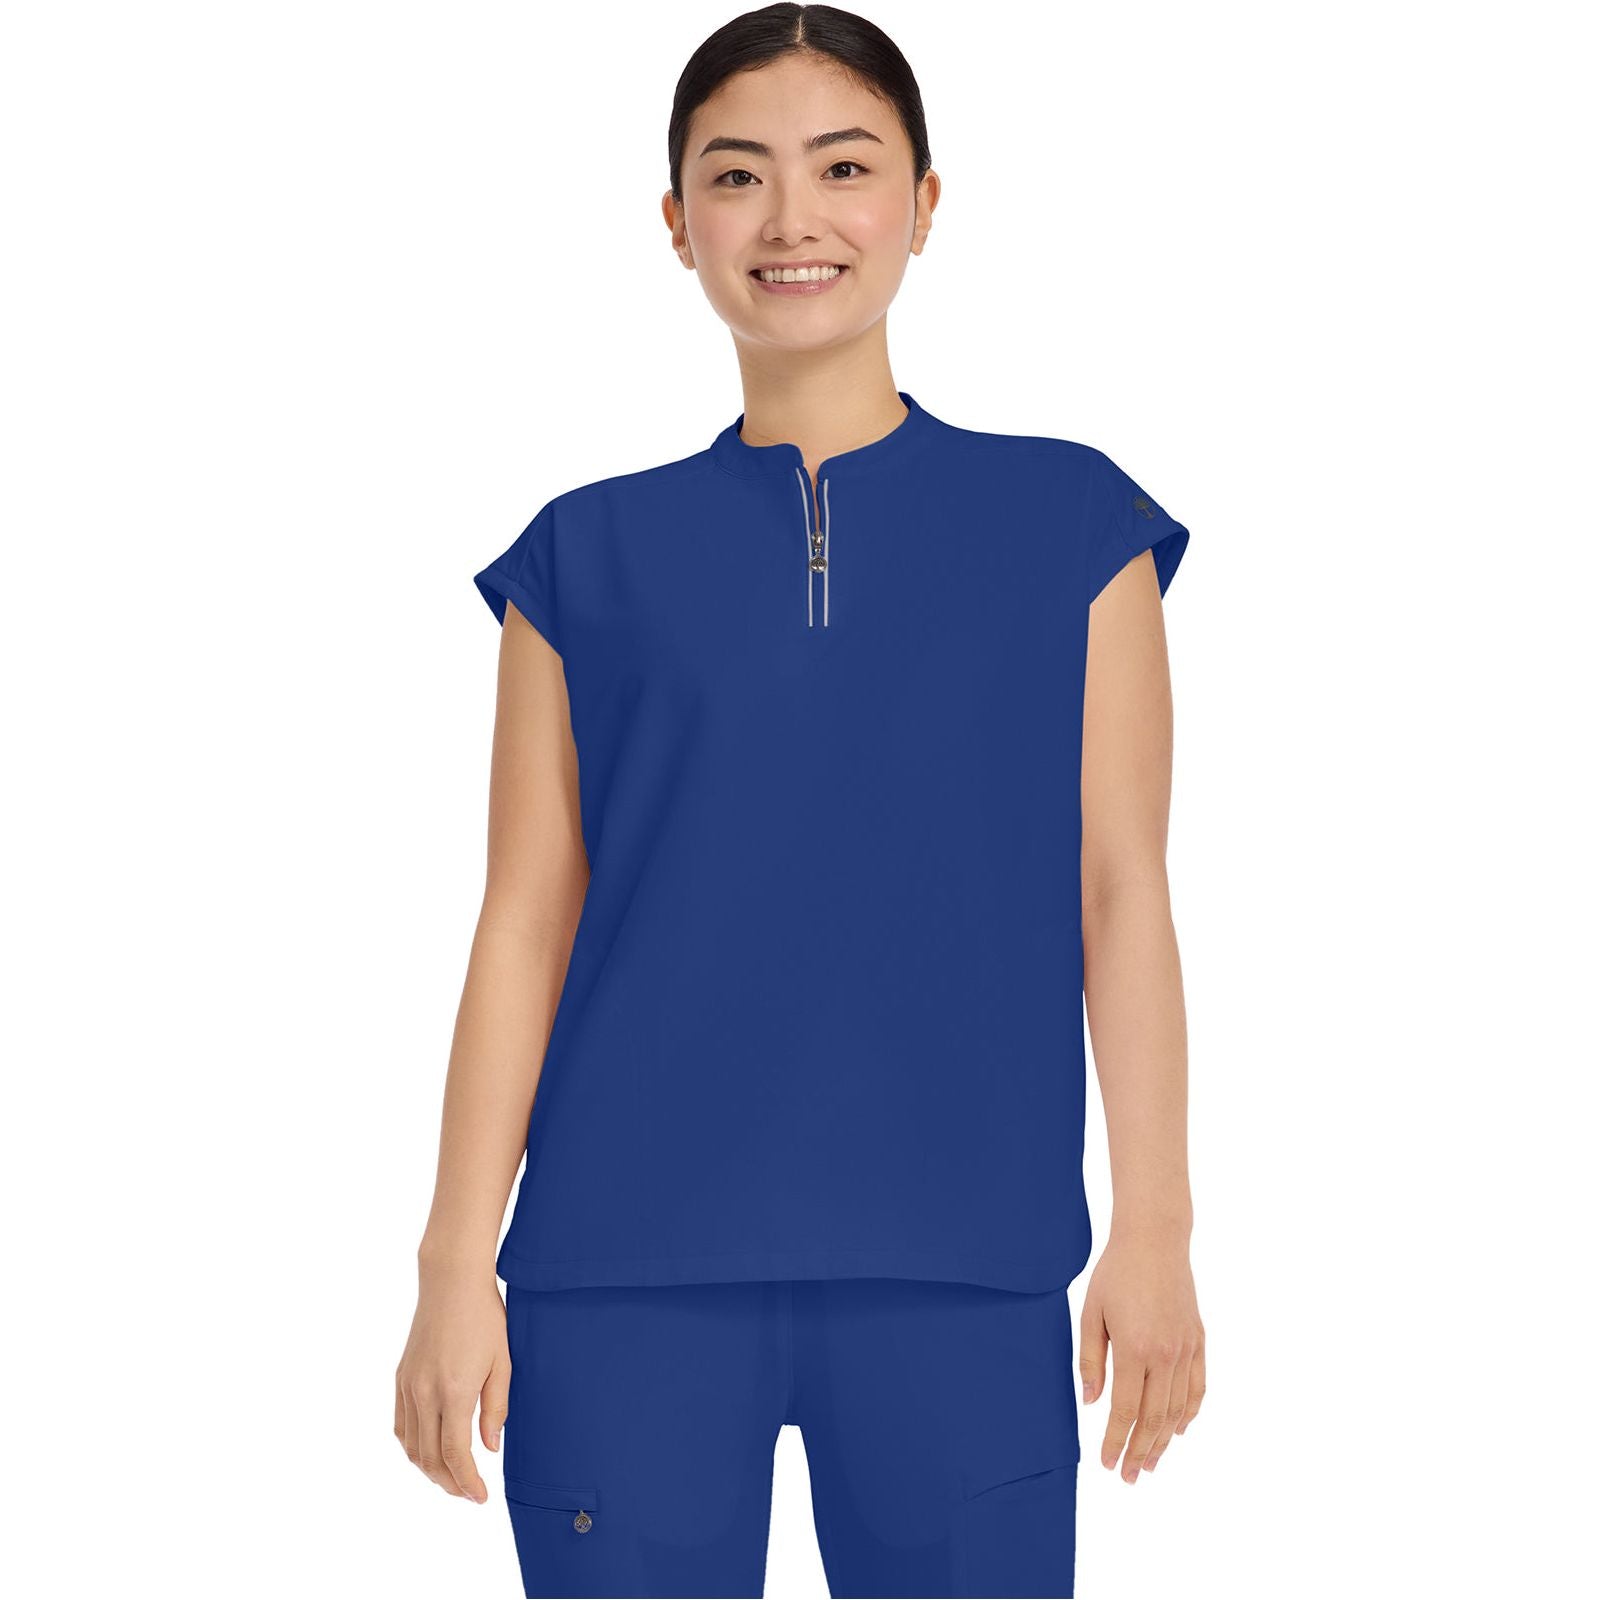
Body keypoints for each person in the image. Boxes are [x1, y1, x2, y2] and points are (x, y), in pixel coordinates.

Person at [393, 5, 1205, 1596]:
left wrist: (1158, 1226)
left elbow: (1122, 891)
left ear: (924, 201)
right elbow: (525, 920)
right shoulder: (582, 556)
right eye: (736, 175)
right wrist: (449, 1261)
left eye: (843, 167)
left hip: (965, 1268)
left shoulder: (1073, 525)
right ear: (676, 219)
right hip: (619, 1275)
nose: (791, 219)